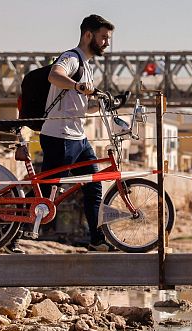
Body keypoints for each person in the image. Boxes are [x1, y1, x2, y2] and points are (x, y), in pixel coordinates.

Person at [8, 14, 115, 253]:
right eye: (103, 37)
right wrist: (77, 85)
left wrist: (104, 103)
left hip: (78, 137)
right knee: (47, 190)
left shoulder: (86, 66)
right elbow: (54, 75)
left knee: (93, 185)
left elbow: (79, 106)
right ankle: (12, 234)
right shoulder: (71, 58)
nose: (107, 43)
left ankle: (96, 240)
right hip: (60, 136)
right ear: (88, 35)